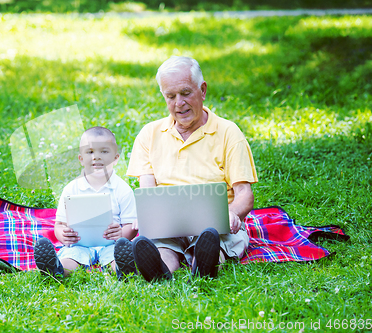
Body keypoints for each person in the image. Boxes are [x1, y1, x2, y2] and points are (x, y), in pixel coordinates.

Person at [125, 56, 258, 281]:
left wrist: (232, 214)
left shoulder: (228, 132)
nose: (179, 103)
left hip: (214, 224)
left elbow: (244, 194)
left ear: (202, 90)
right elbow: (148, 192)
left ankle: (204, 264)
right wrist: (148, 217)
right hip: (169, 222)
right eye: (170, 96)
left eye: (185, 93)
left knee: (212, 239)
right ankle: (162, 271)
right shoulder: (150, 134)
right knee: (160, 244)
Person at [34, 126, 138, 279]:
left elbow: (132, 226)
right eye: (90, 152)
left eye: (104, 151)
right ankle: (55, 269)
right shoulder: (71, 189)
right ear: (81, 159)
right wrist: (63, 235)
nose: (96, 157)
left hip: (111, 244)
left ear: (116, 158)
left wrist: (122, 234)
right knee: (71, 257)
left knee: (117, 256)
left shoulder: (123, 189)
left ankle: (123, 269)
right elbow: (59, 224)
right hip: (79, 243)